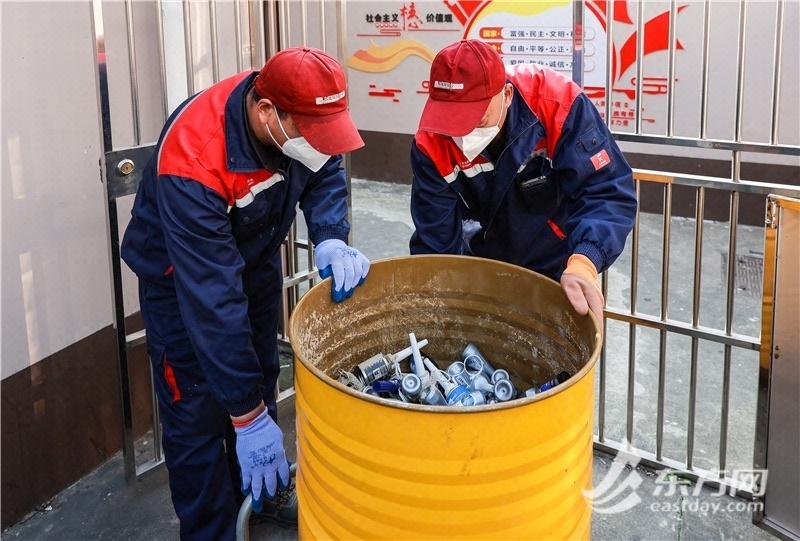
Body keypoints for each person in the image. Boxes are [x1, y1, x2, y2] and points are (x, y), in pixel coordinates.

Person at [121, 47, 370, 540]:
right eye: (312, 134)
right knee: (198, 414)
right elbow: (212, 300)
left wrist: (330, 235)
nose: (322, 146)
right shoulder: (194, 157)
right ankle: (212, 530)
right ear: (265, 114)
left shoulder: (300, 116)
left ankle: (264, 498)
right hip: (181, 284)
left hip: (250, 262)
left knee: (256, 374)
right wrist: (246, 418)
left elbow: (323, 169)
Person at [410, 39, 637, 326]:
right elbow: (435, 242)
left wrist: (585, 261)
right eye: (453, 122)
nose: (464, 134)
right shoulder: (431, 140)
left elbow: (606, 191)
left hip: (554, 261)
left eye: (477, 120)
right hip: (480, 262)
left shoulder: (558, 106)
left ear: (506, 95)